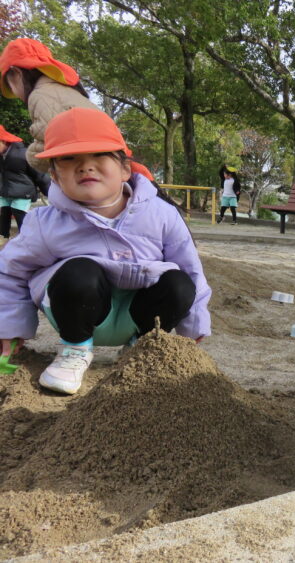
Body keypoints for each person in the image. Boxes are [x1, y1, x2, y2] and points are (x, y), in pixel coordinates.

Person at [0, 107, 211, 395]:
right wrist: (9, 326)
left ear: (125, 169)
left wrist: (194, 324)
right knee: (79, 271)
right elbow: (10, 272)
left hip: (139, 316)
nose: (85, 166)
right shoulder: (45, 223)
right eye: (69, 159)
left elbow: (190, 267)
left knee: (179, 282)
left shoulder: (161, 214)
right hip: (77, 312)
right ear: (55, 176)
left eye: (99, 155)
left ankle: (141, 350)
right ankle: (74, 351)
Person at [0, 38, 155, 181]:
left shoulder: (41, 95)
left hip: (92, 170)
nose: (14, 93)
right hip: (113, 163)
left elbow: (57, 144)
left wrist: (31, 153)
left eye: (9, 85)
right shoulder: (66, 90)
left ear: (16, 74)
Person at [0, 125, 50, 244]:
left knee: (19, 213)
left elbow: (39, 175)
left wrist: (49, 192)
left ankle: (25, 239)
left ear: (3, 141)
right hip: (5, 189)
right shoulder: (1, 156)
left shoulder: (23, 154)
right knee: (4, 212)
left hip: (23, 191)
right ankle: (3, 235)